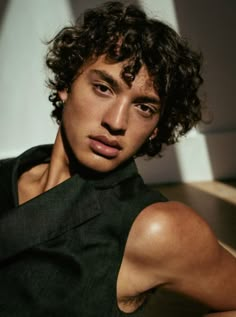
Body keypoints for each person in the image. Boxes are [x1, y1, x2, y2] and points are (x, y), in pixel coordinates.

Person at [0, 1, 235, 316]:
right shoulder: (8, 175)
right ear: (65, 84)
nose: (117, 121)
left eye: (144, 107)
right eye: (103, 88)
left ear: (156, 127)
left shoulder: (157, 228)